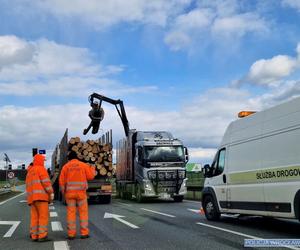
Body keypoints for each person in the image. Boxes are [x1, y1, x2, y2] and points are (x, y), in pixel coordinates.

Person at [59, 151, 96, 240]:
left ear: (69, 159)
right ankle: (84, 233)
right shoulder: (83, 165)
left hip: (70, 194)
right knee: (83, 213)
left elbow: (61, 182)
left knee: (71, 213)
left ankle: (71, 234)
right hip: (81, 194)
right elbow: (91, 176)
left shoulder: (66, 167)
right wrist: (92, 168)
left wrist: (64, 193)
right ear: (77, 157)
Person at [26, 154, 54, 242]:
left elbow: (27, 186)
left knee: (34, 217)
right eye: (43, 160)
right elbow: (46, 182)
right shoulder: (41, 169)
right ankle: (42, 235)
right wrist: (51, 192)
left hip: (32, 199)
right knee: (43, 217)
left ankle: (34, 235)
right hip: (41, 197)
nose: (43, 162)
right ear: (40, 160)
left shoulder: (29, 172)